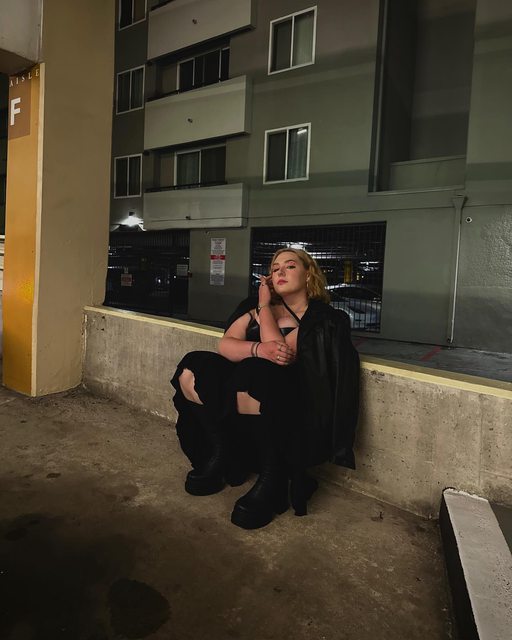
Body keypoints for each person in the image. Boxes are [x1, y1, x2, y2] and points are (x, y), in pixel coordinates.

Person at [170, 247, 360, 530]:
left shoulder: (321, 317)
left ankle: (273, 476)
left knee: (259, 371)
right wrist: (257, 346)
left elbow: (280, 355)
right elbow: (226, 345)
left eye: (290, 266)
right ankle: (221, 453)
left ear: (309, 275)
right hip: (247, 385)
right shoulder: (253, 306)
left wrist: (263, 309)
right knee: (194, 366)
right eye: (274, 268)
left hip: (290, 397)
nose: (280, 272)